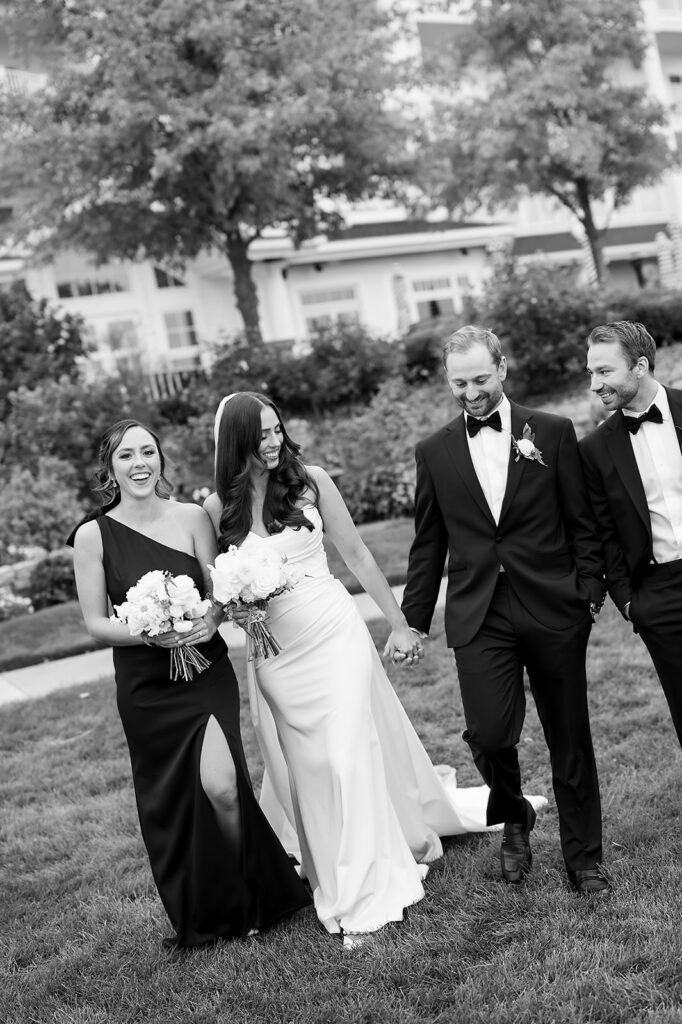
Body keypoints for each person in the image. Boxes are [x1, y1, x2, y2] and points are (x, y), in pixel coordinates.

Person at [205, 392, 546, 949]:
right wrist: (234, 609)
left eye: (276, 430)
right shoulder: (218, 511)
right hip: (273, 655)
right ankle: (333, 871)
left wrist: (401, 624)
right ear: (236, 443)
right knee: (310, 771)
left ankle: (366, 891)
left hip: (332, 632)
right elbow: (217, 591)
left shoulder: (310, 481)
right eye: (260, 435)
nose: (272, 442)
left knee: (346, 755)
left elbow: (358, 555)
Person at [69, 419, 310, 949]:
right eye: (126, 456)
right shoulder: (92, 535)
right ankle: (215, 908)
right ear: (109, 468)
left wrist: (214, 615)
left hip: (204, 670)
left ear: (160, 460)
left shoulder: (191, 518)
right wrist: (148, 630)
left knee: (223, 787)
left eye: (148, 452)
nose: (139, 464)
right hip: (146, 684)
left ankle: (258, 892)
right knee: (174, 799)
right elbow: (95, 623)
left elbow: (216, 584)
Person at [400, 325, 609, 896]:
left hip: (552, 604)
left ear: (503, 368)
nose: (470, 393)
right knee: (489, 736)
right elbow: (428, 544)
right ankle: (514, 814)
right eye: (458, 383)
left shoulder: (554, 432)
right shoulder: (435, 451)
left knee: (570, 738)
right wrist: (414, 620)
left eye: (480, 379)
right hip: (478, 612)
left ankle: (584, 860)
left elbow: (583, 522)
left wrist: (587, 592)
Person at [581, 320, 682, 748]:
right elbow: (605, 535)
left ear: (640, 366)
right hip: (658, 594)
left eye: (604, 371)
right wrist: (628, 602)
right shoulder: (595, 449)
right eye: (590, 373)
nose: (594, 384)